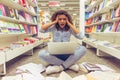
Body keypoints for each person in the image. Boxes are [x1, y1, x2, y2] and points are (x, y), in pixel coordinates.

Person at [38, 10, 86, 74]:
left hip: (68, 55)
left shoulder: (69, 28)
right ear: (57, 20)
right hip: (55, 55)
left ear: (67, 20)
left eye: (64, 19)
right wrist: (54, 22)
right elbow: (41, 30)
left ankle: (60, 67)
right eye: (60, 19)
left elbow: (81, 36)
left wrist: (70, 24)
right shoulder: (54, 27)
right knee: (41, 54)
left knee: (83, 49)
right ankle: (69, 65)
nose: (62, 21)